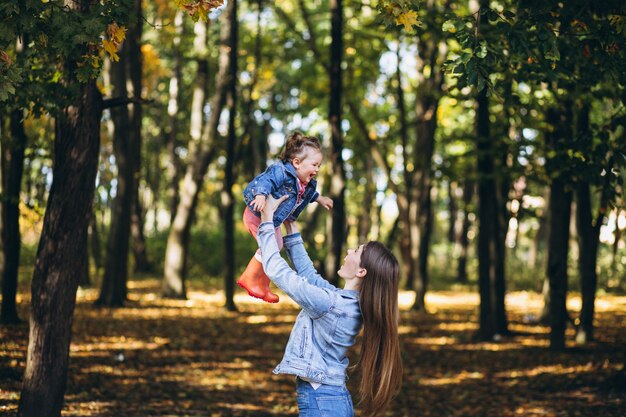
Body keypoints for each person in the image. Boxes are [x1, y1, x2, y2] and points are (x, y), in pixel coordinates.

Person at [257, 194, 403, 417]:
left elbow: (279, 272)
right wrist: (291, 225)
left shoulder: (332, 305)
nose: (348, 252)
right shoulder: (344, 303)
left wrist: (267, 220)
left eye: (356, 252)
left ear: (362, 272)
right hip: (330, 398)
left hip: (323, 402)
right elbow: (308, 275)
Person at [238, 132, 333, 303]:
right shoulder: (281, 171)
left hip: (272, 221)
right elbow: (266, 181)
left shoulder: (304, 183)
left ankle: (263, 286)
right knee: (271, 248)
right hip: (256, 216)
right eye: (314, 165)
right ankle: (249, 277)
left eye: (319, 165)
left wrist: (320, 199)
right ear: (297, 162)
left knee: (276, 248)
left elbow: (308, 194)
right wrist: (260, 195)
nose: (317, 169)